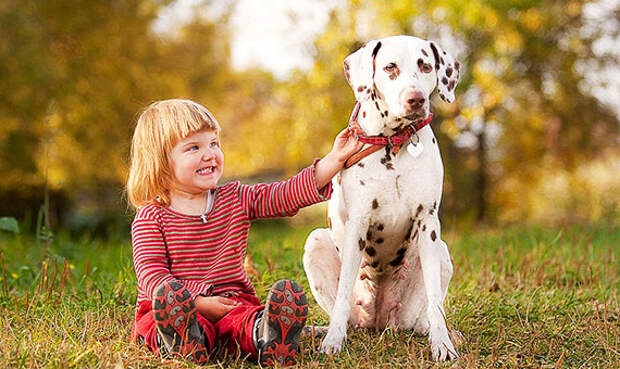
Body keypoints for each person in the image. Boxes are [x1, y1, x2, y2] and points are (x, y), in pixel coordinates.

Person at [125, 99, 362, 366]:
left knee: (243, 322)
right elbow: (152, 275)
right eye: (194, 147)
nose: (209, 154)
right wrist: (196, 302)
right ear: (161, 161)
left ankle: (269, 336)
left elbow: (284, 195)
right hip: (177, 307)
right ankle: (182, 339)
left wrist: (335, 159)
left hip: (230, 303)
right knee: (156, 320)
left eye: (213, 143)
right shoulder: (151, 216)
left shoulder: (235, 197)